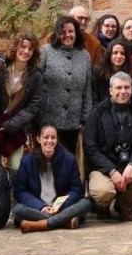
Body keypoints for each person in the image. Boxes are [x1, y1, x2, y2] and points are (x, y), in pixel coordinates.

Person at [84, 72, 132, 221]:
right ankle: (103, 206)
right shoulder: (97, 112)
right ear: (110, 90)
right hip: (103, 167)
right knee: (103, 191)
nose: (123, 91)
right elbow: (90, 148)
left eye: (126, 88)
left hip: (128, 162)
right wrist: (111, 171)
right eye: (118, 88)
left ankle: (123, 206)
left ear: (131, 89)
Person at [12, 125, 91, 232]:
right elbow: (20, 191)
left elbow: (76, 189)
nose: (49, 141)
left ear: (57, 139)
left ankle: (43, 223)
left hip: (61, 208)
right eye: (46, 137)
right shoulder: (27, 161)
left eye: (53, 137)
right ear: (39, 139)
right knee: (18, 209)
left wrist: (60, 206)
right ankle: (64, 222)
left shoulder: (68, 159)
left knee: (86, 204)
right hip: (38, 209)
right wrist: (41, 207)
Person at [39, 15, 92, 154]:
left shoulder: (84, 56)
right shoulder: (45, 51)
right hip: (48, 118)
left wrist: (85, 118)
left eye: (71, 31)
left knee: (67, 162)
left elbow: (87, 90)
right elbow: (35, 83)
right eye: (63, 32)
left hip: (73, 121)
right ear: (57, 33)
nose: (67, 35)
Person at [0, 32, 43, 172]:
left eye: (30, 49)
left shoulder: (35, 75)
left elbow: (33, 106)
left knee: (15, 167)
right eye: (23, 47)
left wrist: (11, 125)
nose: (26, 51)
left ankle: (12, 194)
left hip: (16, 129)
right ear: (15, 47)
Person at [93, 38, 132, 106]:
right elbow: (94, 98)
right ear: (109, 55)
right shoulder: (98, 72)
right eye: (115, 53)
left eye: (122, 53)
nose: (119, 56)